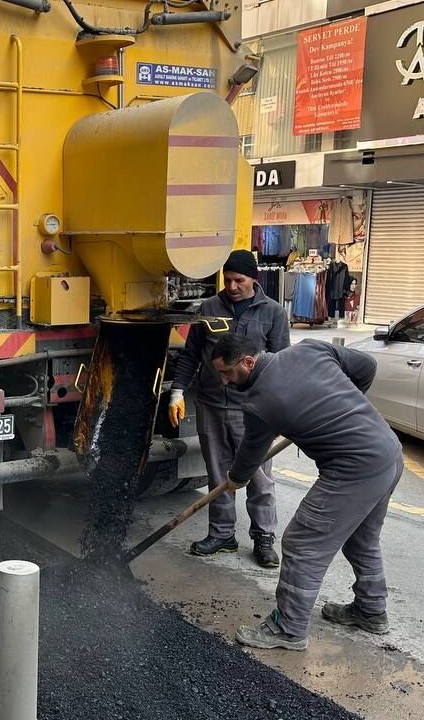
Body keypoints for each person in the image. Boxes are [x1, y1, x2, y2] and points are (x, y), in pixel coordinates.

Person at [209, 334, 403, 651]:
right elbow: (366, 366)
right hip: (388, 452)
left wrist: (235, 479)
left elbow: (249, 456)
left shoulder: (259, 403)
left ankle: (288, 628)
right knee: (361, 538)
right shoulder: (311, 348)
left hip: (354, 468)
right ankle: (371, 611)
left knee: (302, 543)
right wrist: (343, 405)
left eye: (227, 373)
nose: (225, 381)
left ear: (248, 361)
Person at [168, 249, 290, 568]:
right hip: (211, 405)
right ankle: (222, 534)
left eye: (239, 280)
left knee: (259, 476)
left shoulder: (273, 312)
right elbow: (191, 355)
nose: (232, 286)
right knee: (218, 474)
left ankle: (264, 537)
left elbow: (282, 363)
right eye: (228, 280)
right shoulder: (208, 308)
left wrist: (278, 408)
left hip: (253, 410)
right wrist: (177, 392)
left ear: (254, 279)